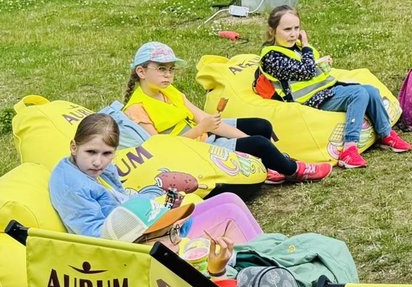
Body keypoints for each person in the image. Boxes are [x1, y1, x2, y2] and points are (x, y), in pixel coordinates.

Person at [123, 41, 330, 184]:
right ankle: (294, 170)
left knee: (261, 126)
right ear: (141, 72)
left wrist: (241, 137)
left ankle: (270, 166)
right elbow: (162, 151)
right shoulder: (137, 109)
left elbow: (204, 119)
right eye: (161, 69)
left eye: (171, 69)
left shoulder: (169, 91)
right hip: (194, 149)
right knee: (260, 144)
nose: (168, 75)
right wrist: (201, 130)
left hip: (202, 133)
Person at [259, 6, 412, 170]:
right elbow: (307, 70)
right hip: (309, 99)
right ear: (272, 31)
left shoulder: (295, 48)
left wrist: (322, 63)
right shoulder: (272, 57)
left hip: (324, 91)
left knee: (371, 91)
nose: (293, 34)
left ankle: (386, 134)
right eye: (287, 29)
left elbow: (311, 68)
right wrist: (307, 45)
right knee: (358, 94)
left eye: (296, 28)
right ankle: (349, 149)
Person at [50, 114, 197, 240]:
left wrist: (158, 207)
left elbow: (121, 197)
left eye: (107, 153)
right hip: (124, 237)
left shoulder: (94, 169)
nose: (98, 162)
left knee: (185, 212)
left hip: (128, 218)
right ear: (74, 147)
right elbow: (97, 236)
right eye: (91, 152)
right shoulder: (74, 188)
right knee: (188, 226)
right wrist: (152, 227)